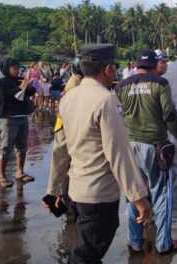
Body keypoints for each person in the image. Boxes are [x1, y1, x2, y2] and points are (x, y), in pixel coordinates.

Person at [46, 44, 152, 263]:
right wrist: (138, 197)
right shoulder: (106, 100)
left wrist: (56, 188)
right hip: (99, 193)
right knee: (86, 255)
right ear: (108, 69)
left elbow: (60, 148)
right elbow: (119, 153)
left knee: (86, 248)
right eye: (114, 65)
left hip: (77, 190)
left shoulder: (68, 98)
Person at [117, 49, 177, 255]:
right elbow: (169, 114)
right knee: (161, 194)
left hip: (130, 145)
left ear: (137, 64)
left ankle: (135, 241)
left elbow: (120, 114)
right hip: (155, 146)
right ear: (155, 63)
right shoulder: (160, 84)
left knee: (134, 194)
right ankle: (164, 243)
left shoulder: (122, 86)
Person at [0, 58, 36, 188]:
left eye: (18, 68)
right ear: (7, 68)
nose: (18, 71)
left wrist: (29, 87)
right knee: (5, 147)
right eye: (14, 68)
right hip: (8, 118)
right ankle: (2, 176)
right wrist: (20, 88)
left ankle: (20, 172)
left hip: (22, 116)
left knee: (22, 145)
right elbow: (4, 97)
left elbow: (31, 92)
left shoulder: (19, 80)